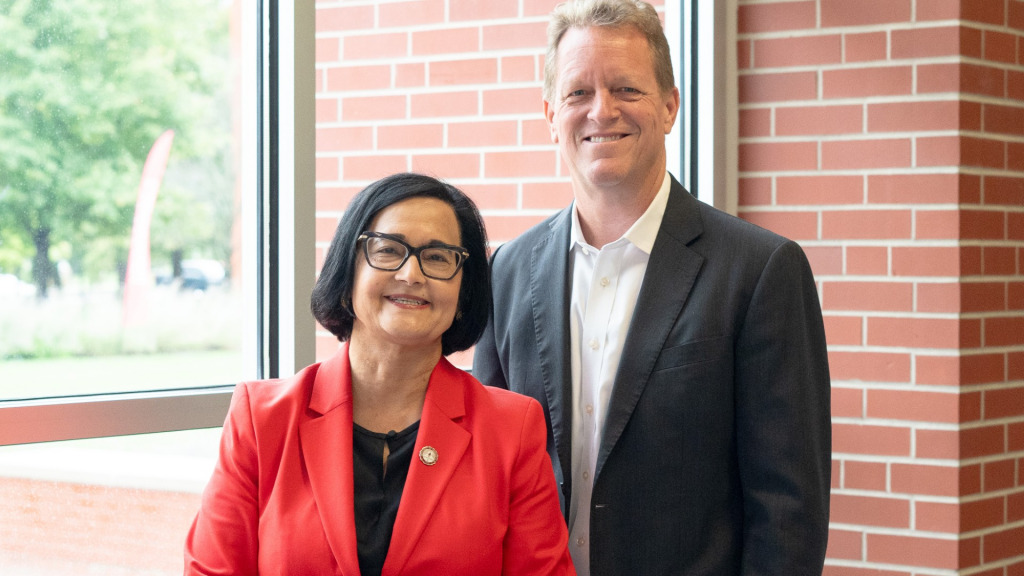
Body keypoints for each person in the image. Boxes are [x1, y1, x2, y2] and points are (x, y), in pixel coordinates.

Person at [472, 0, 832, 574]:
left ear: (669, 107)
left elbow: (787, 513)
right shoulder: (506, 273)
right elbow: (483, 477)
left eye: (626, 89)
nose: (601, 111)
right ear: (549, 115)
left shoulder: (761, 271)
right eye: (577, 93)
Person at [185, 172, 575, 576]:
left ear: (464, 294)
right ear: (347, 273)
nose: (411, 274)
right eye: (388, 250)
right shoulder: (262, 418)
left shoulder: (512, 429)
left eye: (438, 257)